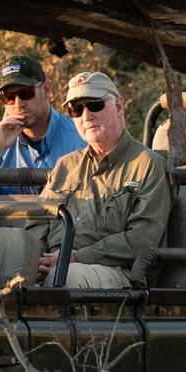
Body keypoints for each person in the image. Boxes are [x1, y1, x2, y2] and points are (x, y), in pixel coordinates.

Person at [31, 71, 170, 289]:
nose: (86, 116)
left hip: (118, 271)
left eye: (95, 105)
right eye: (76, 109)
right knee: (4, 271)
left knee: (63, 278)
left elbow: (142, 239)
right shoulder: (66, 165)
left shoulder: (148, 165)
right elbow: (37, 223)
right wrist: (33, 261)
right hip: (56, 266)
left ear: (119, 107)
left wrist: (75, 257)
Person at [0, 53, 87, 196]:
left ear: (46, 90)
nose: (19, 104)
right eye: (9, 97)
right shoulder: (1, 148)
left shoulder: (81, 138)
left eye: (26, 92)